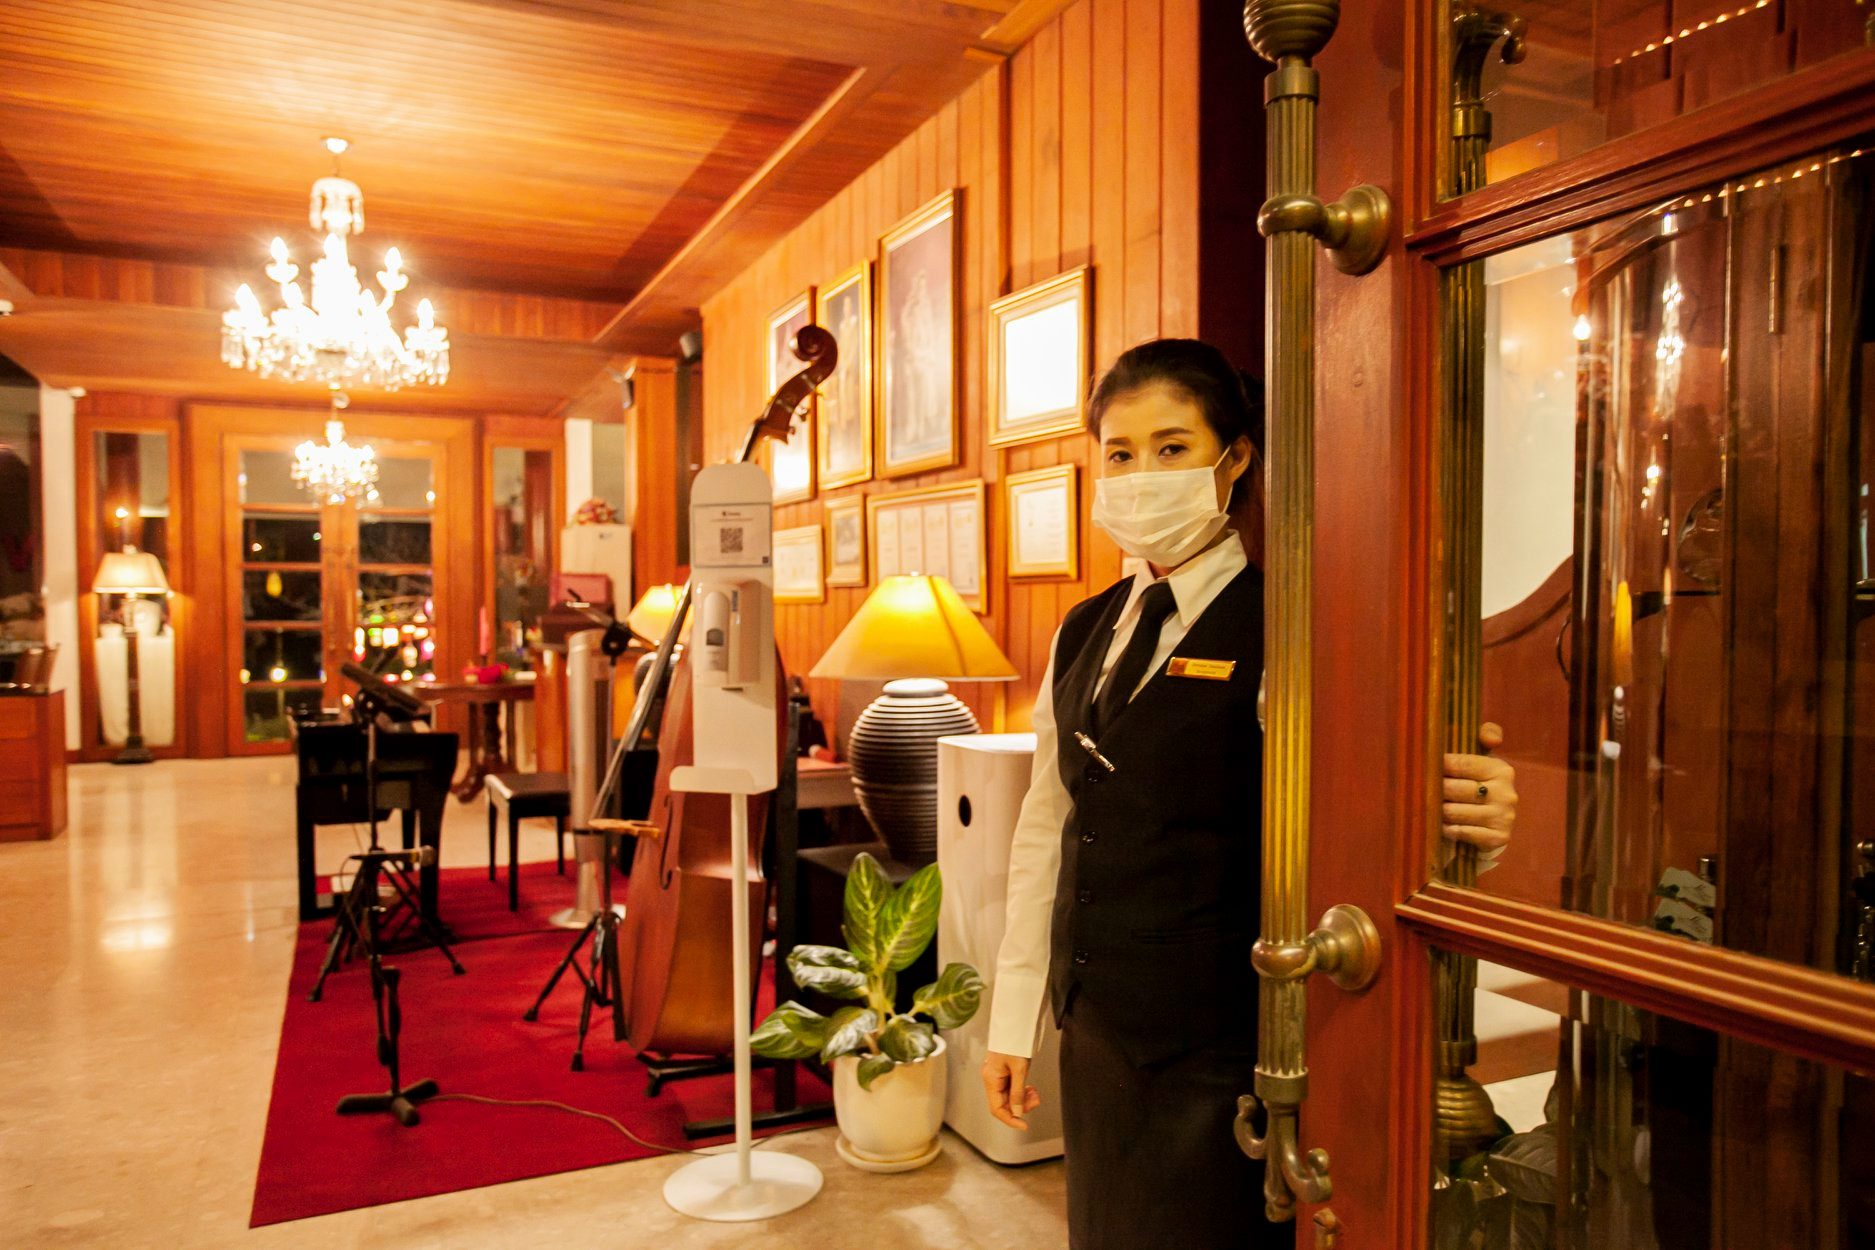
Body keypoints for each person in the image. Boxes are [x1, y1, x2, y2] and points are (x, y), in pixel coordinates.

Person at [979, 339, 1517, 1249]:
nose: (1141, 476)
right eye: (1120, 453)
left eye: (1172, 448)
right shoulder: (1082, 627)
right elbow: (1049, 825)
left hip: (1220, 1047)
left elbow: (1369, 809)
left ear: (1233, 460)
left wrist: (1475, 827)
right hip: (1093, 1028)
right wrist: (1013, 1018)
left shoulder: (1294, 625)